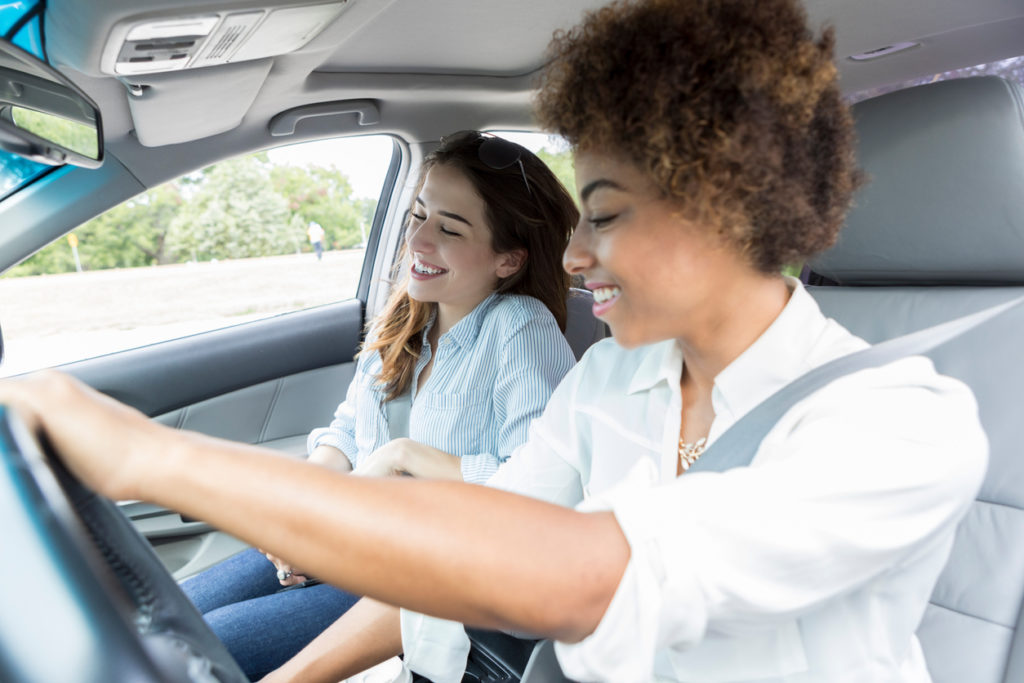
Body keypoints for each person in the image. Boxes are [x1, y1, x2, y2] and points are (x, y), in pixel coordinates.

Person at [0, 1, 988, 681]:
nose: (578, 256)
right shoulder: (611, 380)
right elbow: (473, 553)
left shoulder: (900, 423)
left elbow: (582, 571)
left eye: (602, 215)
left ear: (720, 213)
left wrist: (151, 454)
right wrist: (294, 672)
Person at [176, 130, 579, 679]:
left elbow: (537, 489)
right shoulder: (407, 315)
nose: (419, 241)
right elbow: (346, 430)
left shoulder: (520, 331)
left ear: (507, 260)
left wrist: (407, 456)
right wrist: (305, 506)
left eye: (449, 229)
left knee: (197, 652)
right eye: (418, 216)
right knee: (165, 614)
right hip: (350, 535)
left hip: (416, 573)